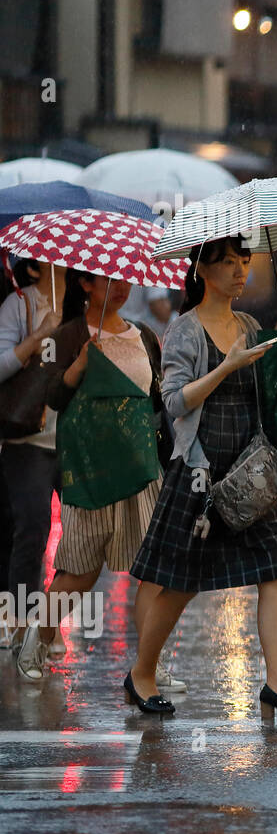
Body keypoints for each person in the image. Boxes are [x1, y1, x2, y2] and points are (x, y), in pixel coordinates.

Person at [127, 237, 277, 719]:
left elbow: (268, 395)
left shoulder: (250, 325)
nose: (239, 272)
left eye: (244, 262)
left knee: (274, 571)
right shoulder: (185, 331)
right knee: (181, 582)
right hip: (201, 469)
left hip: (248, 472)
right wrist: (226, 365)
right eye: (228, 263)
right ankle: (142, 674)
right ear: (201, 272)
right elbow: (173, 403)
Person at [12, 270, 176, 688]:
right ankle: (38, 635)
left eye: (126, 280)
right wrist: (80, 365)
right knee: (80, 570)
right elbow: (51, 397)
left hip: (140, 470)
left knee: (152, 571)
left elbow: (155, 399)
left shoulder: (143, 334)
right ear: (86, 285)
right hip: (90, 470)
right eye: (110, 280)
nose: (122, 288)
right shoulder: (67, 335)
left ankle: (149, 667)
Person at [0, 259, 62, 648]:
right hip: (29, 441)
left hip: (74, 438)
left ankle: (51, 621)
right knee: (33, 529)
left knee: (84, 533)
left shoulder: (82, 302)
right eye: (50, 261)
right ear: (34, 270)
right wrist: (39, 335)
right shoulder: (17, 305)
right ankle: (23, 626)